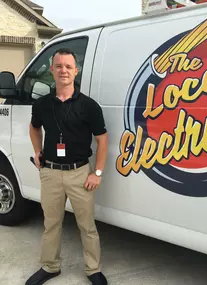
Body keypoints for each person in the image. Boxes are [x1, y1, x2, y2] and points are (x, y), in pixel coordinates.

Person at [26, 48, 108, 285]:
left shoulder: (89, 106)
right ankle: (50, 267)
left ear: (76, 71)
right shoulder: (41, 105)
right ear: (51, 70)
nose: (64, 70)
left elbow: (102, 139)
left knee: (87, 226)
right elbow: (33, 127)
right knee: (51, 224)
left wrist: (98, 172)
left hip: (80, 174)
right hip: (50, 173)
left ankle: (93, 270)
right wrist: (37, 151)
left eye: (68, 67)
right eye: (59, 66)